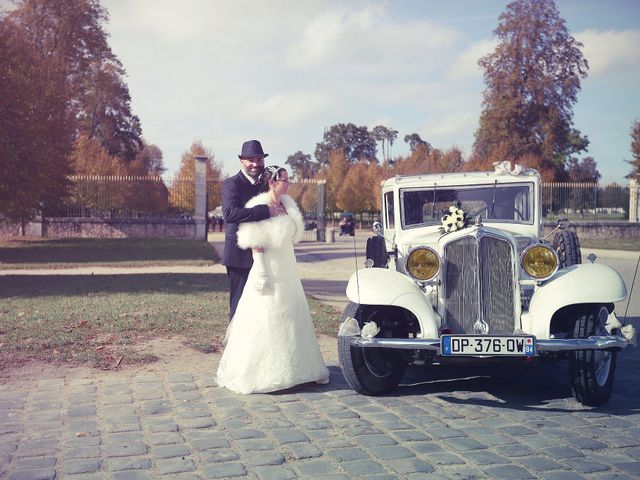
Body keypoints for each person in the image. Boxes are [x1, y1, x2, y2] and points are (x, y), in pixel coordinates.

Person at [216, 165, 330, 394]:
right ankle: (263, 372)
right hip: (269, 266)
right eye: (284, 180)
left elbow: (292, 233)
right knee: (268, 315)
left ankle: (299, 369)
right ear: (272, 182)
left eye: (288, 179)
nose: (288, 183)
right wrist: (259, 268)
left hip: (287, 267)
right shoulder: (259, 205)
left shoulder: (287, 204)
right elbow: (253, 237)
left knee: (291, 315)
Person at [221, 140, 283, 321]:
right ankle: (234, 345)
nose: (255, 164)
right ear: (241, 161)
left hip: (266, 253)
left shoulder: (266, 184)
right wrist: (266, 211)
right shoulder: (231, 184)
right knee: (240, 304)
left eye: (259, 159)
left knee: (262, 305)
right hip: (240, 255)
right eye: (250, 160)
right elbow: (230, 214)